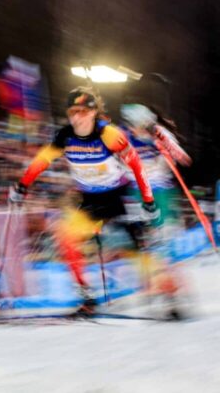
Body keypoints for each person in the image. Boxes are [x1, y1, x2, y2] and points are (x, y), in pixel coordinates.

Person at [9, 88, 159, 316]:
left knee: (136, 246)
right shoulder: (64, 136)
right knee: (65, 238)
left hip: (117, 197)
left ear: (92, 113)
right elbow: (41, 161)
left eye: (82, 111)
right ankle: (87, 298)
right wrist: (22, 187)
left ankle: (167, 291)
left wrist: (148, 201)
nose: (76, 117)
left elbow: (137, 166)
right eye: (72, 111)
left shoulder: (109, 134)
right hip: (89, 201)